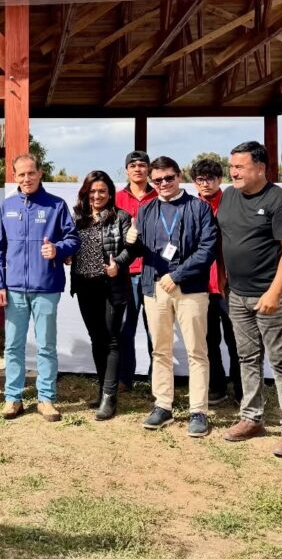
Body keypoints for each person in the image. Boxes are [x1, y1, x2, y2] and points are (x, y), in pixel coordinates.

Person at [217, 141, 282, 457]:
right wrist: (224, 279)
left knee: (281, 360)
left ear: (260, 167)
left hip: (271, 297)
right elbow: (226, 239)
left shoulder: (281, 201)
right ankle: (251, 418)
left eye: (240, 167)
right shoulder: (228, 196)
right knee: (247, 358)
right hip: (237, 295)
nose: (233, 172)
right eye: (232, 166)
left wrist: (274, 292)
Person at [0, 153, 79, 422]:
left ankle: (46, 398)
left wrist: (58, 249)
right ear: (14, 176)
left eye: (31, 173)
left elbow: (73, 239)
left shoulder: (56, 205)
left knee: (46, 346)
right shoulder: (7, 207)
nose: (26, 178)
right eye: (21, 174)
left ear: (40, 173)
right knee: (13, 346)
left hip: (46, 287)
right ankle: (13, 397)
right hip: (14, 289)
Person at [133, 156, 216, 437]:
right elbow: (140, 250)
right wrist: (128, 243)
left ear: (179, 176)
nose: (164, 183)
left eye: (169, 177)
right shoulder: (146, 209)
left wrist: (177, 275)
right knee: (160, 350)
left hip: (190, 288)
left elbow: (207, 249)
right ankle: (163, 405)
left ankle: (198, 411)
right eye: (157, 180)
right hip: (154, 287)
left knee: (196, 351)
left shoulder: (199, 207)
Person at [69, 170, 136, 421]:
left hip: (112, 286)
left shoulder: (121, 217)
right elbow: (70, 245)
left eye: (102, 191)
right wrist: (66, 255)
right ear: (85, 192)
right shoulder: (77, 218)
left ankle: (110, 397)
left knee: (111, 340)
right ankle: (102, 390)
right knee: (96, 339)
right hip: (85, 286)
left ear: (110, 194)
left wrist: (118, 263)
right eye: (92, 191)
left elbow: (132, 249)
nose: (97, 196)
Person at [190, 157, 242, 406]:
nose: (205, 183)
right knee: (208, 340)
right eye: (200, 179)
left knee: (237, 340)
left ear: (220, 179)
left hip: (230, 283)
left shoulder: (233, 203)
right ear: (194, 182)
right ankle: (216, 387)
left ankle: (242, 390)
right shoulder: (190, 206)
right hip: (200, 283)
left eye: (210, 178)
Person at [114, 150, 157, 389]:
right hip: (125, 273)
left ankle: (157, 380)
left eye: (142, 165)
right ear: (127, 170)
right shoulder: (117, 198)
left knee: (156, 330)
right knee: (124, 328)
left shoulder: (159, 195)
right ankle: (124, 378)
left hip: (155, 271)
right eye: (133, 165)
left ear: (148, 169)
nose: (138, 169)